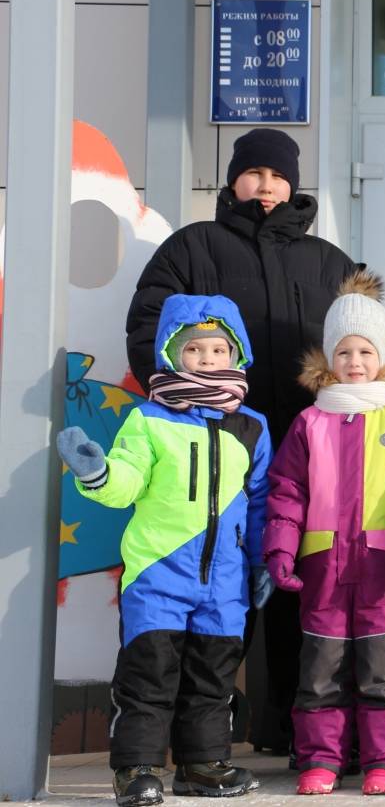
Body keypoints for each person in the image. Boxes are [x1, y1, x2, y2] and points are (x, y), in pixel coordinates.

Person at [124, 127, 357, 756]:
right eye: (255, 173)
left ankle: (293, 731)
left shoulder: (329, 261)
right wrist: (186, 408)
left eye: (278, 176)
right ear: (234, 180)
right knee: (215, 588)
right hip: (218, 448)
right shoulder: (192, 247)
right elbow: (149, 328)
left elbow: (363, 346)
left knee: (295, 582)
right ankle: (193, 744)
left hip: (310, 452)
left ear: (294, 184)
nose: (266, 185)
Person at [56, 294, 272, 807]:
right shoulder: (148, 419)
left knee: (212, 678)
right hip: (158, 573)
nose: (207, 359)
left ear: (236, 354)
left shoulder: (252, 425)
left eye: (218, 349)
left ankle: (202, 765)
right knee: (148, 675)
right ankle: (137, 769)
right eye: (193, 349)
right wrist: (99, 473)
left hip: (225, 581)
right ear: (171, 355)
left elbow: (261, 498)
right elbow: (128, 481)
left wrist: (262, 559)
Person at [262, 270, 385, 795]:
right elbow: (287, 490)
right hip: (323, 567)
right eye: (344, 352)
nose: (355, 362)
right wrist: (282, 549)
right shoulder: (311, 421)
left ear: (384, 357)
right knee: (321, 670)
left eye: (365, 352)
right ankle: (320, 760)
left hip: (383, 565)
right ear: (329, 357)